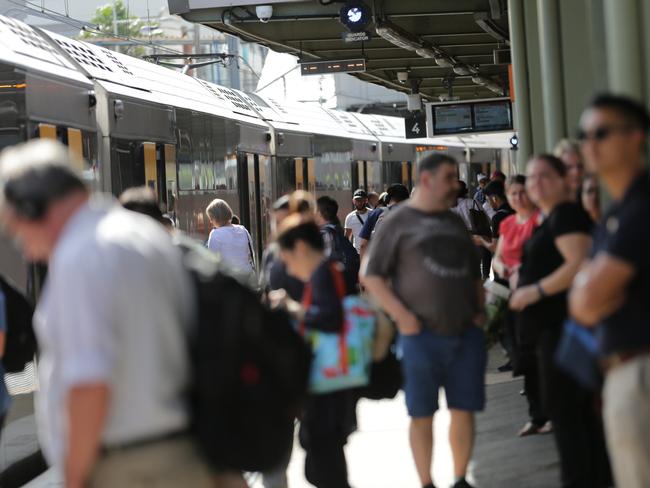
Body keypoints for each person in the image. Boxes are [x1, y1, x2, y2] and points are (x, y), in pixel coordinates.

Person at [0, 140, 212, 488]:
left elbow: (89, 384)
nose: (21, 245)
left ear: (32, 207)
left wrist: (74, 476)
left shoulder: (81, 256)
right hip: (183, 451)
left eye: (14, 227)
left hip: (125, 466)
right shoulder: (145, 236)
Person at [362, 154, 486, 488]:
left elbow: (473, 271)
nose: (455, 184)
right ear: (427, 179)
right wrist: (404, 318)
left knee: (464, 409)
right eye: (449, 177)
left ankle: (460, 478)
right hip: (420, 336)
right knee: (422, 413)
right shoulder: (397, 221)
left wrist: (480, 312)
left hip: (465, 333)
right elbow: (371, 276)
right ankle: (426, 482)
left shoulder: (453, 221)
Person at [510, 154, 610, 488]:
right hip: (553, 332)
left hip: (565, 330)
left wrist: (533, 290)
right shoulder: (551, 217)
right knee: (574, 416)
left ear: (564, 180)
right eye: (532, 177)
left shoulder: (566, 215)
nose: (536, 183)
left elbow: (579, 262)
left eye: (545, 176)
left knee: (569, 416)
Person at [569, 94, 650, 488]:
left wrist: (592, 287)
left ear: (636, 137)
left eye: (601, 133)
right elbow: (585, 301)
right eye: (584, 135)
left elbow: (585, 299)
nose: (590, 144)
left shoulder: (641, 207)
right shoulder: (615, 212)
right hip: (624, 371)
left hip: (640, 373)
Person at [271, 217, 357, 488]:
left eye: (286, 256)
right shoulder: (329, 271)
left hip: (327, 388)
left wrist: (290, 306)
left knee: (323, 467)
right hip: (333, 383)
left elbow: (329, 318)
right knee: (324, 464)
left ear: (299, 247)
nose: (286, 265)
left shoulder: (322, 273)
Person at [490, 176, 546, 433]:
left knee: (543, 356)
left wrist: (521, 270)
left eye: (522, 192)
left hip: (539, 296)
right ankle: (536, 416)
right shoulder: (509, 223)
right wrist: (509, 271)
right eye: (513, 193)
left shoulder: (541, 220)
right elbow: (497, 260)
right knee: (524, 358)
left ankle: (551, 412)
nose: (518, 197)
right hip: (513, 297)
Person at [206, 198, 256, 281]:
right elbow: (250, 254)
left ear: (217, 217)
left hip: (229, 281)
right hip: (248, 279)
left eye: (211, 218)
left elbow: (212, 261)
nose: (210, 221)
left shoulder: (215, 234)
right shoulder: (243, 230)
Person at [358, 183, 410, 258]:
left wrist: (362, 267)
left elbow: (363, 245)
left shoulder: (376, 213)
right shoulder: (412, 215)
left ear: (388, 198)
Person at [344, 189, 370, 254]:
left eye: (361, 200)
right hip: (357, 253)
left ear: (366, 200)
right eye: (357, 200)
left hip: (371, 252)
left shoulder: (372, 214)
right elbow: (347, 237)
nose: (359, 202)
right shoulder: (350, 217)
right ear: (353, 201)